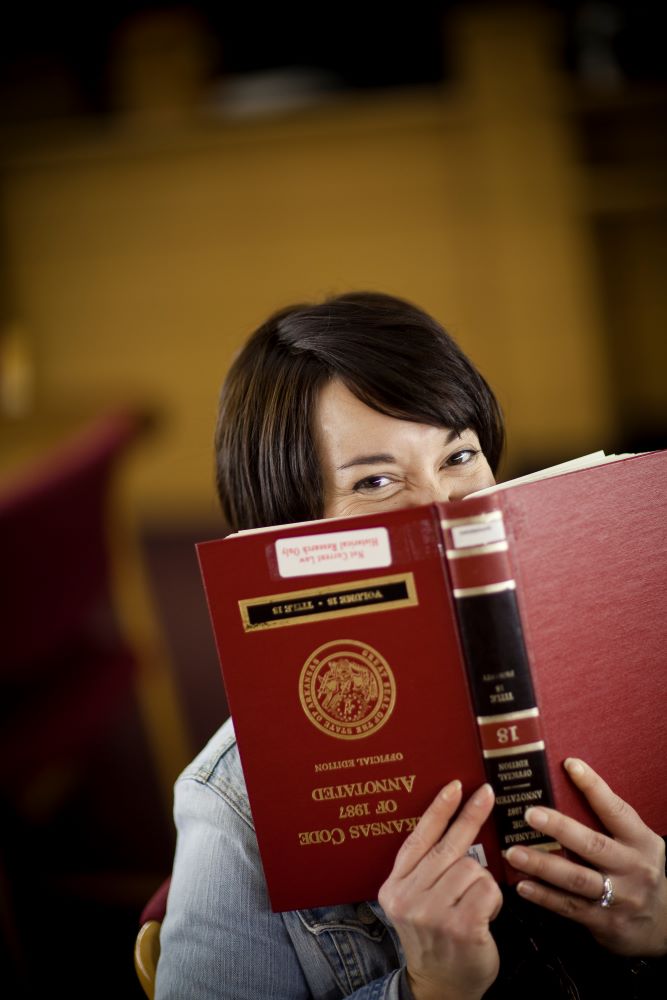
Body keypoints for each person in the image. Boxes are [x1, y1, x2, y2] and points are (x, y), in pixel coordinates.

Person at [155, 291, 666, 999]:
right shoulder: (235, 795)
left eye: (458, 454)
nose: (441, 507)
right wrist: (427, 990)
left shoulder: (635, 650)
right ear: (292, 526)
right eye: (374, 480)